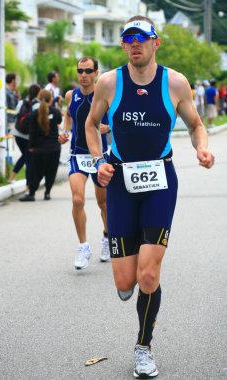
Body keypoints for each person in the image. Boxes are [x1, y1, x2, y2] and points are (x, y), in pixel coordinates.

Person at [85, 16, 214, 379]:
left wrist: (202, 149)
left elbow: (196, 124)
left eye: (141, 38)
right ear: (124, 45)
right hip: (121, 184)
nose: (134, 44)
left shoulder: (175, 82)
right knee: (125, 284)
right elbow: (91, 124)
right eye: (128, 39)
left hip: (160, 181)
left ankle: (144, 346)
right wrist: (99, 162)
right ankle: (132, 286)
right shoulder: (110, 82)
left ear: (156, 42)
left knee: (148, 277)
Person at [60, 56, 110, 269]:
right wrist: (64, 133)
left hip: (99, 157)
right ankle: (83, 247)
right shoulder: (71, 95)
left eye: (88, 71)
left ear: (96, 73)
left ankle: (107, 238)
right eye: (80, 71)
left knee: (103, 203)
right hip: (77, 156)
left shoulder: (106, 94)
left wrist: (110, 128)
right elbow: (68, 118)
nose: (83, 75)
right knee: (78, 200)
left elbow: (119, 118)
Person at [19, 89, 62, 202]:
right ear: (51, 99)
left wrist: (31, 146)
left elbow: (31, 132)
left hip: (39, 149)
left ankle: (32, 193)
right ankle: (47, 193)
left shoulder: (34, 114)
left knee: (35, 172)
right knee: (51, 172)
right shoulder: (56, 112)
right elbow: (59, 121)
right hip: (54, 148)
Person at [8, 83, 41, 192]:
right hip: (28, 136)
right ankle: (28, 186)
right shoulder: (38, 105)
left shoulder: (22, 102)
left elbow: (16, 114)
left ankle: (12, 177)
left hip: (17, 134)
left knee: (25, 156)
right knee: (28, 159)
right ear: (38, 93)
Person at [6, 73, 19, 165]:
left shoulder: (12, 92)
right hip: (9, 120)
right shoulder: (6, 92)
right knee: (9, 139)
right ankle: (8, 159)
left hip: (12, 119)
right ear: (13, 80)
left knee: (11, 139)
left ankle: (9, 158)